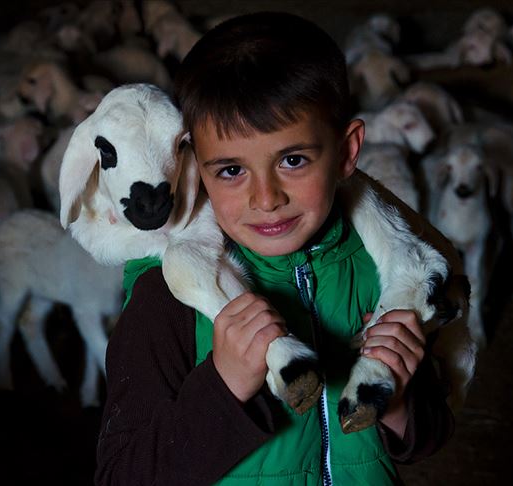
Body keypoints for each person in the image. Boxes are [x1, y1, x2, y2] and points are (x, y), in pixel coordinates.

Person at [94, 12, 455, 486]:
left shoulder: (384, 274)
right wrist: (222, 387)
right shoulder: (166, 300)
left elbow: (428, 437)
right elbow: (122, 475)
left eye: (293, 160)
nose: (266, 199)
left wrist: (401, 402)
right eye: (230, 171)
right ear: (192, 168)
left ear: (347, 152)